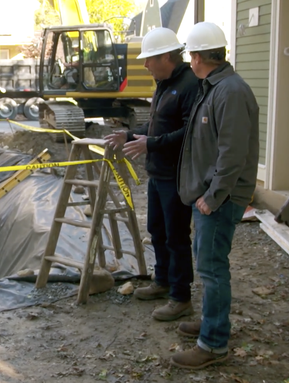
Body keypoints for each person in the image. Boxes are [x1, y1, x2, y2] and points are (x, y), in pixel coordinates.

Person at [172, 21, 259, 369]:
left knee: (211, 268)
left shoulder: (230, 91)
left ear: (197, 57)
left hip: (219, 199)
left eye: (190, 54)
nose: (190, 61)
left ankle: (213, 343)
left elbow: (232, 153)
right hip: (208, 194)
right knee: (207, 263)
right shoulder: (214, 86)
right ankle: (212, 321)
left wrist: (214, 195)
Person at [104, 27, 199, 322]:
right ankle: (163, 281)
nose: (145, 65)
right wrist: (129, 134)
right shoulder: (163, 83)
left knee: (176, 236)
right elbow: (157, 127)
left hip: (176, 176)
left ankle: (181, 297)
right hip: (158, 174)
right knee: (157, 231)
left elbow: (190, 133)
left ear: (166, 56)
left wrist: (151, 144)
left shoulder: (188, 85)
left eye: (149, 59)